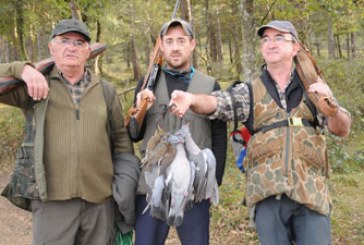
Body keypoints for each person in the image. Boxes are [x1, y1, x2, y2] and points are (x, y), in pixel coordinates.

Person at [169, 20, 352, 245]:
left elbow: (341, 129)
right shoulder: (249, 92)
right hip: (267, 195)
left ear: (295, 47)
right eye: (265, 39)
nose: (270, 44)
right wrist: (191, 99)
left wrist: (330, 103)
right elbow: (217, 103)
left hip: (312, 193)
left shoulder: (313, 89)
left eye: (278, 38)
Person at [0, 18, 137, 245]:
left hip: (99, 201)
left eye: (79, 42)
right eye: (64, 41)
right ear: (52, 47)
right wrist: (23, 69)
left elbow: (120, 139)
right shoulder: (34, 87)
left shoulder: (105, 90)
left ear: (88, 52)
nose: (71, 47)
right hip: (52, 201)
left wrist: (123, 184)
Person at [130, 19, 227, 245]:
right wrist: (141, 108)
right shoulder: (147, 84)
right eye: (169, 41)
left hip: (194, 186)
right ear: (161, 46)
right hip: (152, 185)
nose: (175, 47)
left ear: (192, 44)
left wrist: (214, 181)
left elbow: (219, 135)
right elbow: (134, 134)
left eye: (181, 41)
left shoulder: (210, 85)